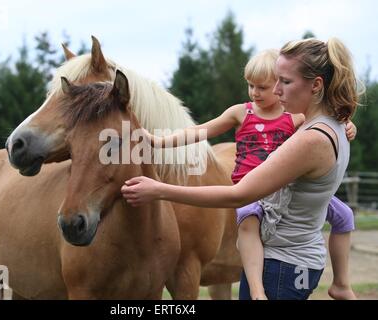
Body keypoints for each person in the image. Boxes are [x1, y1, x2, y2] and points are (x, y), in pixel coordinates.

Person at [122, 38, 362, 300]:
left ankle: (263, 291)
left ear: (316, 85)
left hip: (281, 266)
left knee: (252, 222)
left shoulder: (308, 135)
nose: (277, 91)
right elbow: (201, 130)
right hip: (299, 258)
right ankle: (340, 283)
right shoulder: (328, 125)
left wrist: (159, 190)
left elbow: (238, 194)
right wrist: (159, 141)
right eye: (272, 82)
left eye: (285, 82)